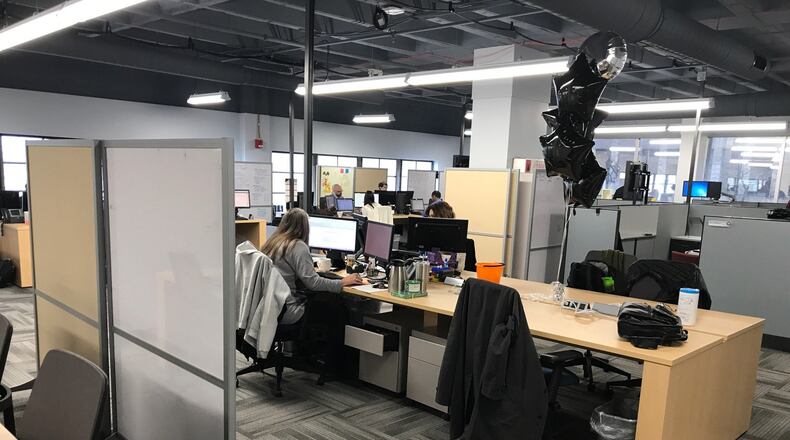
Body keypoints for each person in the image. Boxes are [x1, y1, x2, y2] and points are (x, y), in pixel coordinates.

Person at [261, 208, 363, 324]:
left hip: (271, 308)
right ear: (305, 227)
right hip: (288, 310)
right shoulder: (297, 246)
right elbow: (313, 283)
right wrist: (342, 282)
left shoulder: (273, 242)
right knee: (336, 304)